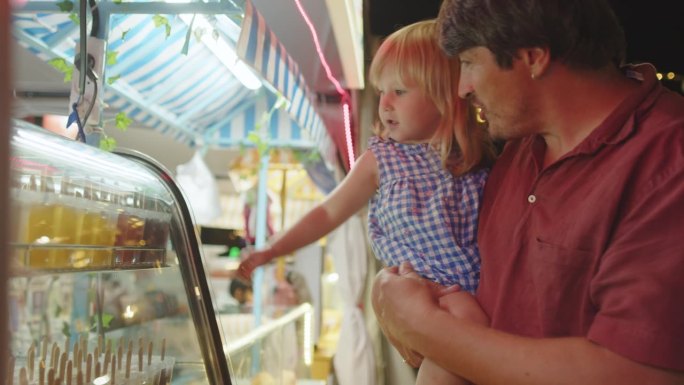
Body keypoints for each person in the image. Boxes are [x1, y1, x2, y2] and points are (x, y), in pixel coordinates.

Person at [371, 0, 684, 384]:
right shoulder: (516, 150)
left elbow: (636, 372)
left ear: (533, 57)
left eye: (469, 63)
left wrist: (422, 325)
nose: (462, 88)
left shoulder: (667, 162)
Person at [238, 19, 496, 384]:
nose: (385, 103)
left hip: (476, 296)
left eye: (400, 91)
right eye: (381, 91)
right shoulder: (382, 158)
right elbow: (328, 211)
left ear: (443, 94)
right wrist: (272, 249)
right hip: (428, 295)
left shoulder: (474, 160)